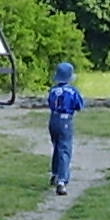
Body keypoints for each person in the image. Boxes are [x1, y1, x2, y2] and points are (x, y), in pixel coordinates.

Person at [46, 61, 84, 195]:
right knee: (65, 149)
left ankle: (55, 173)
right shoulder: (72, 91)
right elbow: (79, 105)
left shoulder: (53, 90)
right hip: (65, 120)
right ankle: (62, 181)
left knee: (56, 147)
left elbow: (50, 103)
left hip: (53, 119)